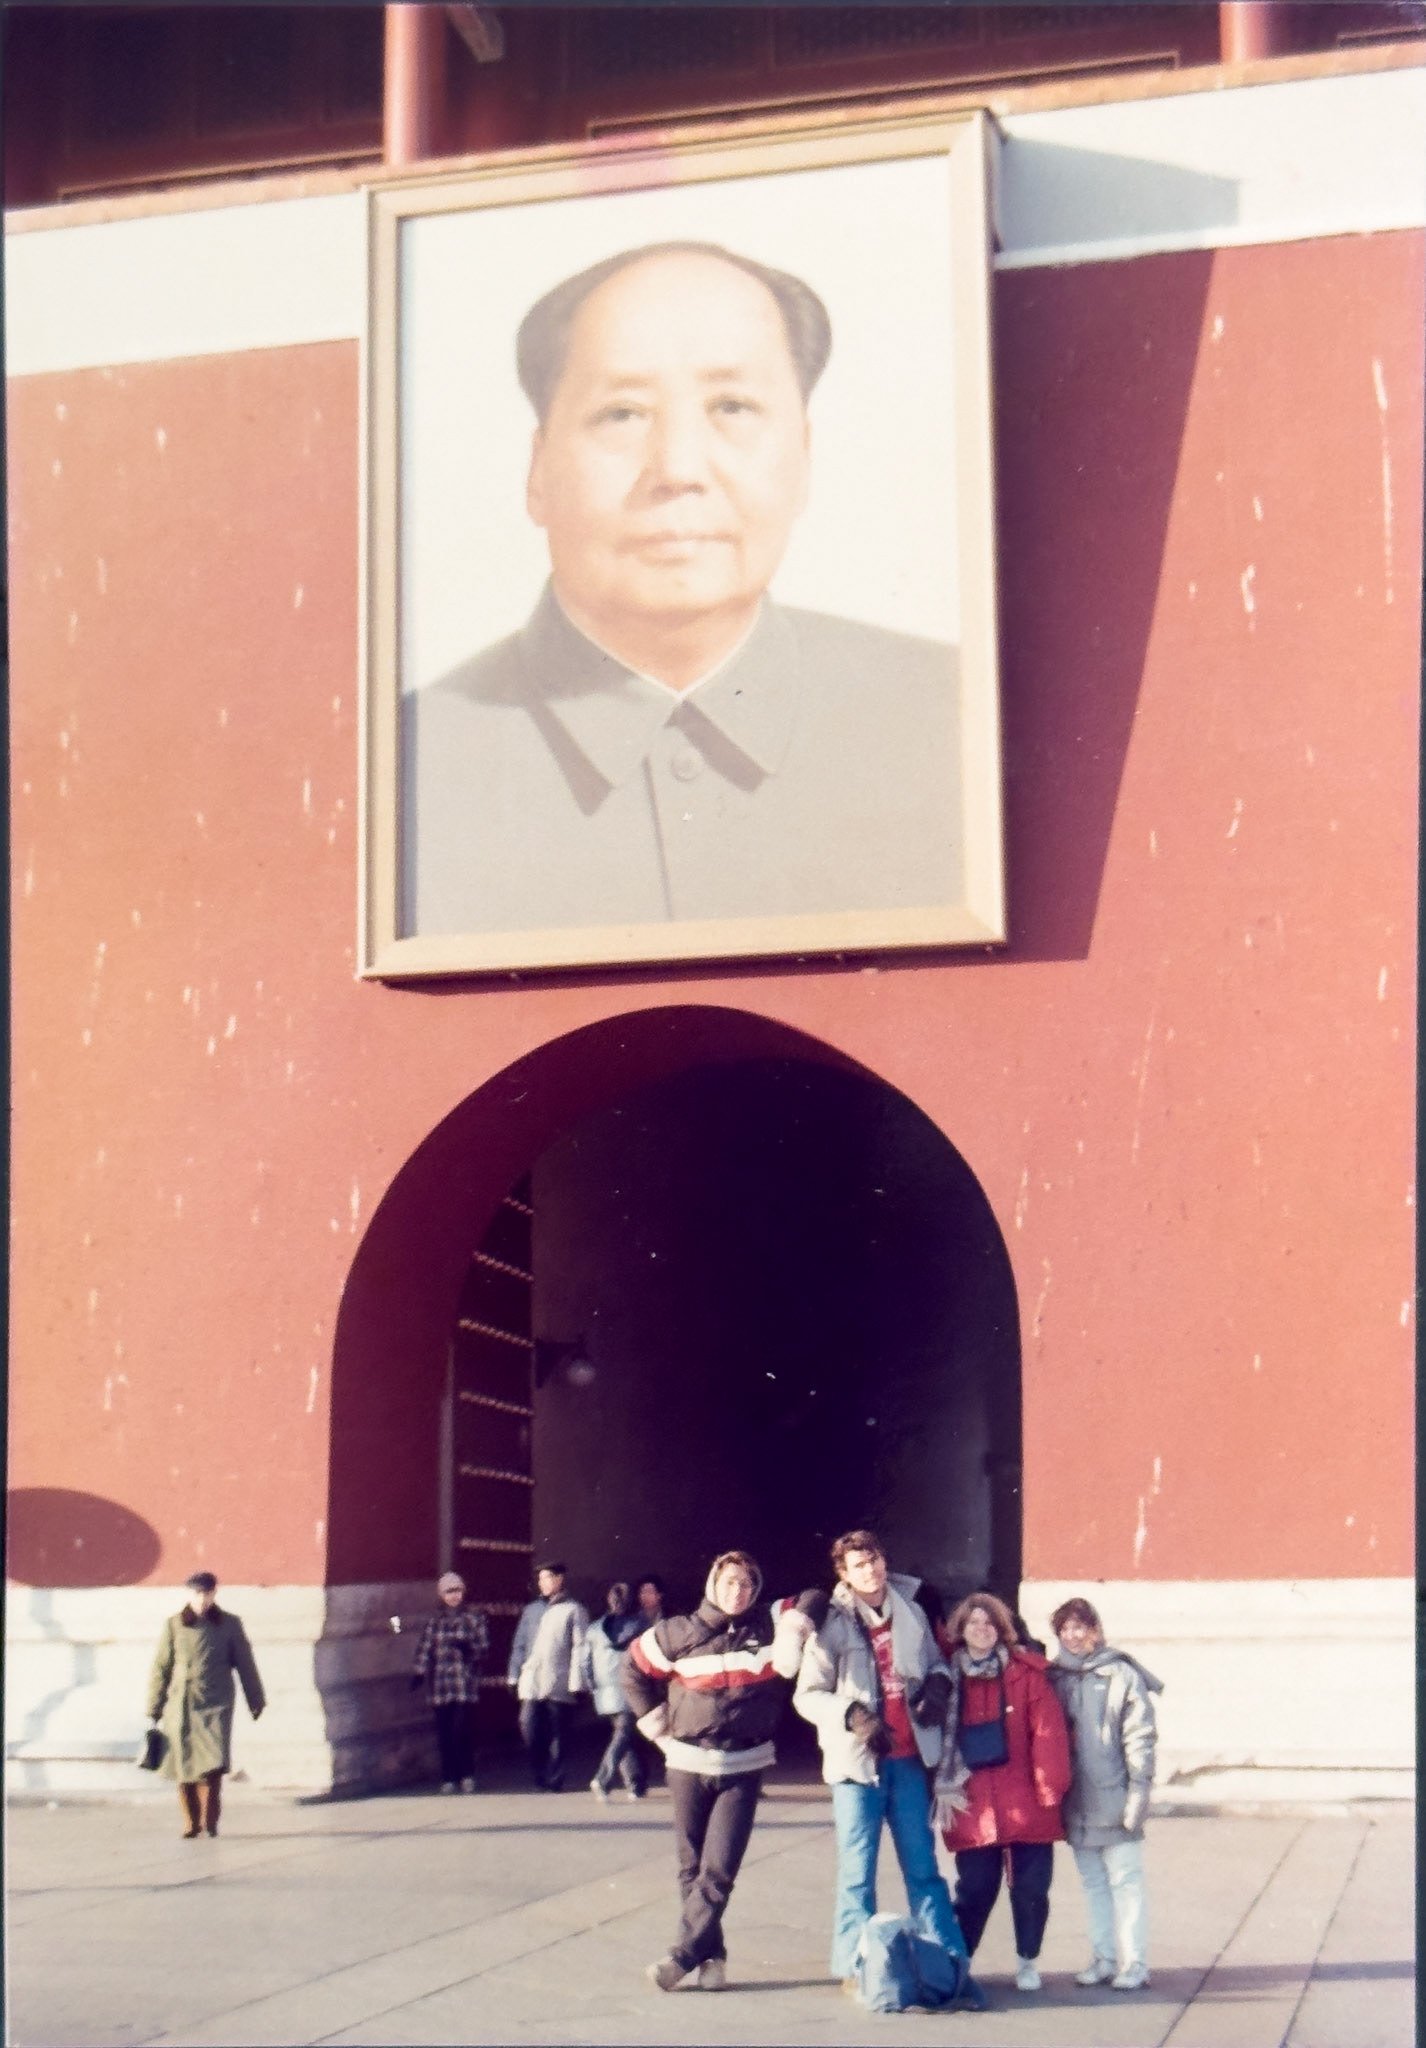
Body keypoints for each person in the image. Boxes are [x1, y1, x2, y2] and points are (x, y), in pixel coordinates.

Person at [403, 240, 961, 937]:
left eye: (731, 407)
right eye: (622, 415)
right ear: (538, 469)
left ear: (805, 457)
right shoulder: (410, 766)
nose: (678, 468)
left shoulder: (951, 718)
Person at [624, 1549, 828, 1992]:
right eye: (730, 1582)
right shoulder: (677, 1632)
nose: (738, 1591)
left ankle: (680, 1957)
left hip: (743, 1765)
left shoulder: (767, 1625)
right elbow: (632, 1669)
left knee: (718, 1869)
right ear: (713, 1584)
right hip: (686, 1763)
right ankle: (712, 1958)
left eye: (747, 1584)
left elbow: (816, 1595)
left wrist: (793, 1632)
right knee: (691, 1868)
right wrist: (656, 1726)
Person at [793, 1530, 969, 1991]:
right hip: (857, 1769)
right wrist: (851, 1715)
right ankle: (854, 1965)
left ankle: (947, 1959)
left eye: (873, 1560)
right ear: (844, 1575)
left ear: (883, 1561)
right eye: (858, 1564)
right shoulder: (831, 1623)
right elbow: (807, 1695)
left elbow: (938, 1662)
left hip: (908, 1761)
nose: (869, 1570)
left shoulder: (910, 1609)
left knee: (924, 1870)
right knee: (857, 1873)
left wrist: (937, 1685)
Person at [931, 1591, 1071, 1993]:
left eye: (989, 1622)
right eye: (973, 1622)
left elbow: (1048, 1734)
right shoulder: (945, 1676)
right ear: (960, 1629)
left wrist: (1050, 1790)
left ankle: (1028, 1958)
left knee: (1030, 1889)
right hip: (971, 1800)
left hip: (1026, 1798)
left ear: (1002, 1629)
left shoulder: (1025, 1674)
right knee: (975, 1888)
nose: (982, 1629)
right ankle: (963, 1957)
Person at [1048, 1596, 1161, 1992]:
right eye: (1064, 1629)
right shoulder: (1056, 1677)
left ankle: (1135, 1963)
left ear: (1094, 1630)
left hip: (1114, 1796)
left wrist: (1138, 1795)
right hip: (1076, 1799)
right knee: (1093, 1883)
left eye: (1079, 1627)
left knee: (1126, 1881)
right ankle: (1102, 1957)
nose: (1072, 1635)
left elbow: (1140, 1738)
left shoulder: (1120, 1675)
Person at [145, 1571, 265, 1838]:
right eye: (197, 1594)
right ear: (189, 1594)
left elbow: (245, 1663)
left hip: (217, 1703)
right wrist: (154, 1706)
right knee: (184, 1764)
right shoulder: (174, 1625)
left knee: (213, 1764)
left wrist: (255, 1699)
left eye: (206, 1593)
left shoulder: (230, 1625)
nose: (202, 1599)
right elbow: (160, 1668)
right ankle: (190, 1822)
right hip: (182, 1704)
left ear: (214, 1594)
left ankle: (209, 1820)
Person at [507, 1560, 589, 1790]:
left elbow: (580, 1647)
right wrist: (513, 1675)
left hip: (559, 1681)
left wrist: (577, 1682)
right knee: (529, 1726)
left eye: (547, 1578)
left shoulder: (574, 1610)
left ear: (559, 1579)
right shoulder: (531, 1610)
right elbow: (519, 1644)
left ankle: (555, 1778)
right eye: (540, 1579)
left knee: (559, 1734)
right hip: (532, 1681)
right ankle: (539, 1771)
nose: (542, 1583)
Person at [410, 1570, 489, 1794]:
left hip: (465, 1684)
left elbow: (484, 1649)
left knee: (463, 1729)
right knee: (445, 1732)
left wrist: (470, 1650)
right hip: (441, 1685)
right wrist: (419, 1673)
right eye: (449, 1592)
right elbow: (426, 1648)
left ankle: (467, 1774)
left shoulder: (474, 1618)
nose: (454, 1596)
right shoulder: (435, 1622)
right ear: (441, 1595)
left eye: (457, 1591)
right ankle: (449, 1776)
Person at [585, 1580, 646, 1803]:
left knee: (623, 1735)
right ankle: (603, 1779)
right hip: (631, 1688)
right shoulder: (641, 1625)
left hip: (605, 1692)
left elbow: (586, 1663)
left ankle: (636, 1785)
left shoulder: (594, 1629)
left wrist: (593, 1686)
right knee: (623, 1735)